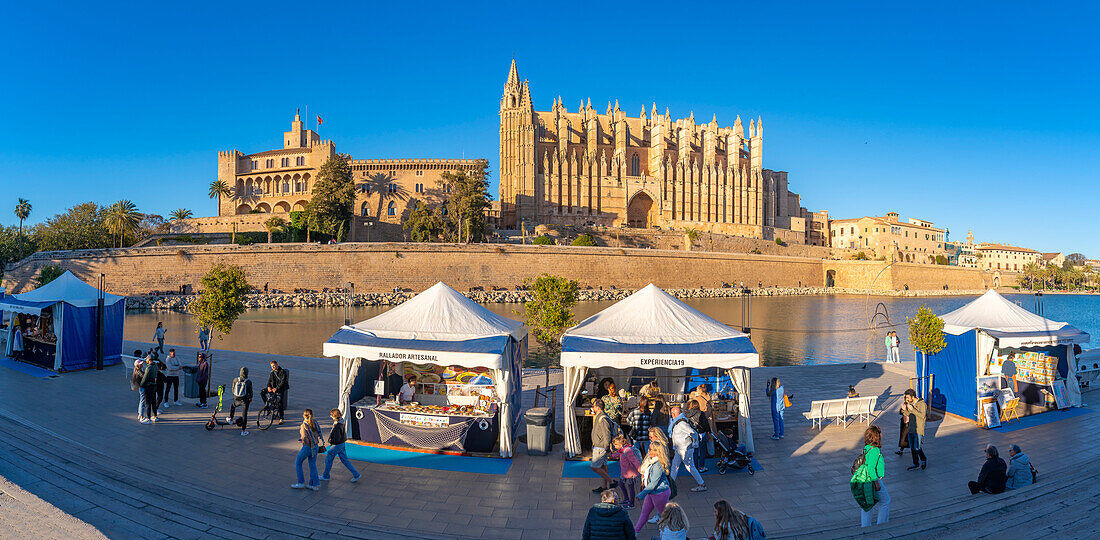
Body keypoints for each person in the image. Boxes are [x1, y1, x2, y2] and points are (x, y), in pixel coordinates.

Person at [851, 425, 889, 527]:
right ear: (877, 437)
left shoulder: (867, 448)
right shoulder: (875, 450)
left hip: (865, 480)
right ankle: (882, 524)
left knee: (868, 504)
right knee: (885, 501)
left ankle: (865, 526)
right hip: (873, 480)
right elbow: (871, 468)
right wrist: (876, 483)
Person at [634, 436, 671, 533]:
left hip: (659, 493)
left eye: (650, 449)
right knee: (644, 513)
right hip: (652, 492)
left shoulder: (658, 465)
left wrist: (641, 495)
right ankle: (636, 532)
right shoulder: (651, 460)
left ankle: (668, 534)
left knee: (663, 516)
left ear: (656, 451)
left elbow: (653, 483)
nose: (648, 450)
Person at [668, 406, 706, 492]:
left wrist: (695, 444)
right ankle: (671, 484)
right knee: (675, 466)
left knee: (690, 467)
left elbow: (694, 433)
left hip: (685, 449)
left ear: (674, 414)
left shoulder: (682, 424)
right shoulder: (678, 421)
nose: (671, 415)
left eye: (672, 413)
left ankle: (702, 484)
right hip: (679, 449)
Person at [321, 408, 361, 483]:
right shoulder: (342, 422)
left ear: (334, 416)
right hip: (342, 444)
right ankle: (356, 474)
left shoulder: (337, 426)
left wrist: (330, 441)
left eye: (331, 415)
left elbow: (336, 439)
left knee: (329, 458)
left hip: (337, 445)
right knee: (345, 460)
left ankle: (326, 475)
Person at [589, 399, 618, 494]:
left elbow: (607, 434)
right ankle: (604, 486)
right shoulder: (601, 417)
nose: (592, 408)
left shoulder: (603, 419)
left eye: (593, 406)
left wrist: (606, 448)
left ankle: (612, 482)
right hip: (600, 446)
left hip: (601, 447)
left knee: (594, 466)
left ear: (598, 407)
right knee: (603, 466)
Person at [291, 409, 323, 491]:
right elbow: (317, 433)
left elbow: (305, 437)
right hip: (315, 446)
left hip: (307, 447)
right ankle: (314, 484)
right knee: (312, 465)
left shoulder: (303, 425)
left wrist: (302, 440)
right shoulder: (314, 422)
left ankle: (300, 483)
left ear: (303, 415)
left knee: (298, 463)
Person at [609, 435, 641, 509]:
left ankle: (631, 503)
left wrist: (639, 469)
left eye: (615, 445)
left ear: (620, 444)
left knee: (631, 488)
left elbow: (634, 460)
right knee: (621, 484)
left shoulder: (627, 451)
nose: (615, 447)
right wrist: (612, 455)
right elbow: (618, 454)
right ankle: (626, 499)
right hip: (624, 473)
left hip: (630, 473)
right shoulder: (622, 450)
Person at [900, 389, 927, 470]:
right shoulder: (910, 403)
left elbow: (922, 416)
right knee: (912, 447)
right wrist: (904, 410)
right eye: (905, 397)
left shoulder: (922, 404)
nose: (906, 399)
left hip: (918, 429)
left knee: (917, 447)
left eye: (908, 397)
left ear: (912, 396)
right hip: (911, 428)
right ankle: (915, 463)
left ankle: (923, 459)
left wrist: (913, 409)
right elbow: (908, 414)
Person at [226, 367, 252, 436]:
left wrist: (235, 396)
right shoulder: (248, 382)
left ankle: (231, 419)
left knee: (233, 406)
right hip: (244, 400)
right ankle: (243, 431)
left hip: (237, 399)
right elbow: (250, 392)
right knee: (244, 415)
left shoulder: (235, 379)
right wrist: (250, 399)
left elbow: (233, 389)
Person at [685, 400, 709, 472]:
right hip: (701, 433)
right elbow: (705, 423)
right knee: (702, 451)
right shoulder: (701, 413)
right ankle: (701, 467)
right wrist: (708, 431)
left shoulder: (687, 414)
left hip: (693, 434)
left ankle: (695, 467)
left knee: (694, 451)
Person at [138, 353, 160, 424]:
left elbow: (145, 377)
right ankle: (155, 416)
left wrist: (141, 385)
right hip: (154, 386)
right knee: (153, 402)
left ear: (149, 359)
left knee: (148, 403)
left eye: (147, 359)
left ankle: (148, 418)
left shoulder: (149, 367)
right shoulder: (156, 366)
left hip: (149, 386)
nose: (146, 360)